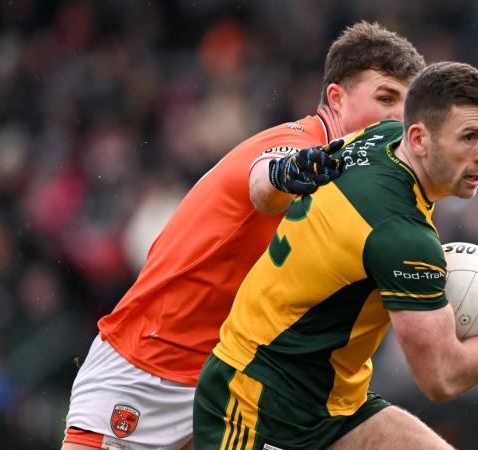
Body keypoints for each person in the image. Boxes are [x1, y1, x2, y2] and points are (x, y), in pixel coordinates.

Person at [62, 22, 425, 450]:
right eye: (386, 98)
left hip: (239, 380)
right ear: (336, 98)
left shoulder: (367, 185)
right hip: (149, 366)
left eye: (407, 108)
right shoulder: (300, 143)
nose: (397, 118)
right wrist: (287, 175)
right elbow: (265, 182)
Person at [193, 61, 478, 450]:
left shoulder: (381, 136)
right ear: (419, 138)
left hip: (335, 405)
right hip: (258, 405)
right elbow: (441, 378)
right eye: (469, 137)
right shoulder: (401, 237)